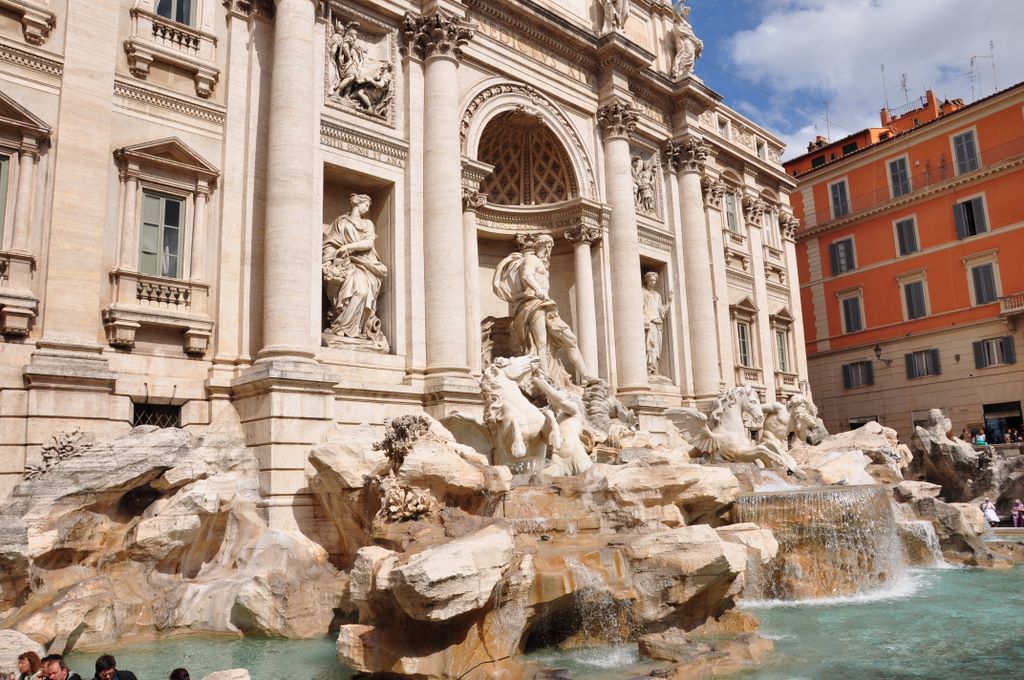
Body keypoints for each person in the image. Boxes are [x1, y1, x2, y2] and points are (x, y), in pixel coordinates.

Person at [492, 234, 592, 384]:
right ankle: (545, 379)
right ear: (540, 247)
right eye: (546, 247)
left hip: (547, 305)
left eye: (550, 248)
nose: (548, 252)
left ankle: (585, 376)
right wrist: (538, 289)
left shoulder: (543, 265)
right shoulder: (531, 259)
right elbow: (526, 275)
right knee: (541, 343)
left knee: (570, 339)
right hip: (534, 303)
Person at [322, 193, 389, 348]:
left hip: (364, 264)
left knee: (363, 292)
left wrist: (347, 247)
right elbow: (330, 242)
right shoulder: (340, 222)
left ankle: (355, 329)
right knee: (349, 292)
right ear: (357, 204)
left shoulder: (368, 224)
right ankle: (341, 327)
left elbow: (368, 244)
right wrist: (332, 258)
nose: (367, 208)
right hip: (345, 264)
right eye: (365, 205)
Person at [642, 271, 673, 376]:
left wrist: (669, 302)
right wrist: (647, 319)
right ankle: (649, 368)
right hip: (649, 323)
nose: (652, 282)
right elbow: (639, 307)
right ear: (646, 280)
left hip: (658, 324)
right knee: (651, 345)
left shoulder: (657, 295)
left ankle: (654, 367)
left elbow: (661, 311)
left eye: (654, 280)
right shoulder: (642, 292)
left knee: (656, 347)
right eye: (650, 280)